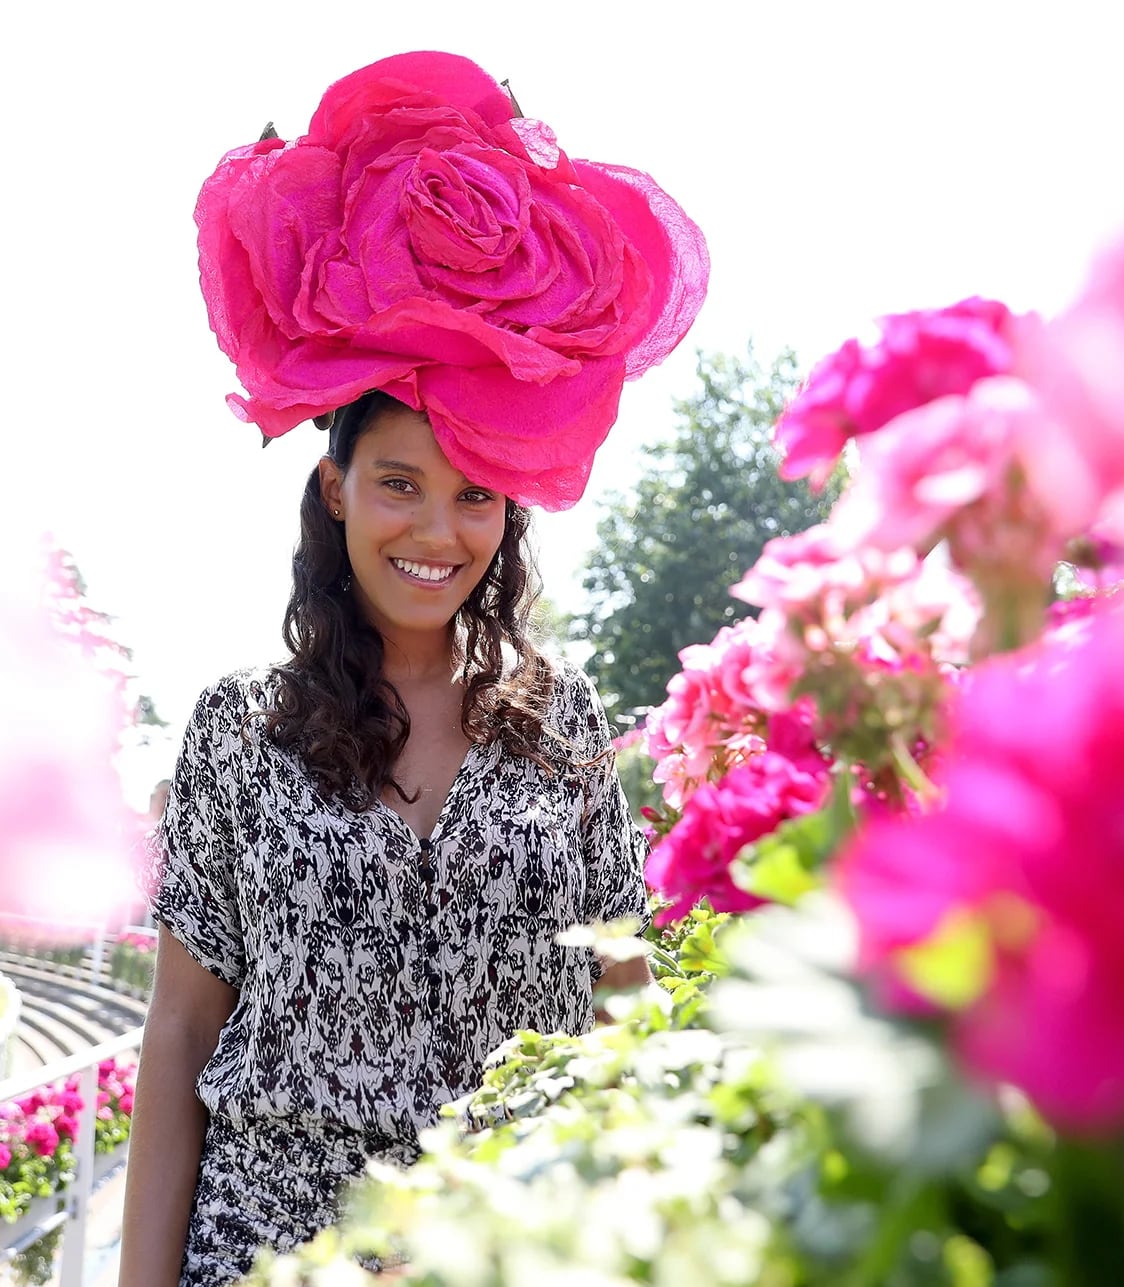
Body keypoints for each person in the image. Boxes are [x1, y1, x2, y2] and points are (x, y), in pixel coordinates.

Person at [119, 51, 707, 1287]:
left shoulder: (557, 722)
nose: (437, 533)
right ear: (335, 493)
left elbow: (623, 1000)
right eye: (399, 485)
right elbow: (180, 1031)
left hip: (514, 1259)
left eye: (474, 495)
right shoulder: (238, 731)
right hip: (269, 1256)